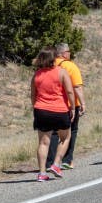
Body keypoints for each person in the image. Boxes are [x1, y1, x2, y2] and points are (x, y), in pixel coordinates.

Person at [31, 47, 75, 181]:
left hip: (41, 110)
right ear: (54, 58)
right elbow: (69, 92)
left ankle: (42, 173)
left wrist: (36, 107)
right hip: (59, 109)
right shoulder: (61, 72)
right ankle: (56, 164)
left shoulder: (37, 74)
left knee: (43, 143)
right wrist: (72, 107)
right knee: (65, 138)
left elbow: (33, 95)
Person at [46, 42, 85, 171]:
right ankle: (66, 160)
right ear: (63, 54)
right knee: (71, 132)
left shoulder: (48, 65)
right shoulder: (70, 66)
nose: (70, 54)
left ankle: (49, 162)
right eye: (68, 51)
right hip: (69, 105)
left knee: (53, 134)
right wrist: (82, 103)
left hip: (51, 105)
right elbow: (77, 87)